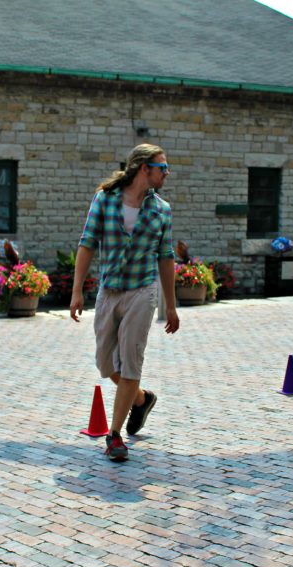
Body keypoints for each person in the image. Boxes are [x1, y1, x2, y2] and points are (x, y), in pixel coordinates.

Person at [70, 143, 180, 462]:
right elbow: (87, 243)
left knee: (131, 359)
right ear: (144, 168)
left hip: (142, 293)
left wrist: (170, 305)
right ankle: (141, 399)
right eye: (162, 167)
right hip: (110, 290)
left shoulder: (162, 210)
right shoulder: (105, 199)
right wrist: (77, 291)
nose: (167, 172)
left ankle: (115, 436)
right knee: (105, 363)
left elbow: (166, 257)